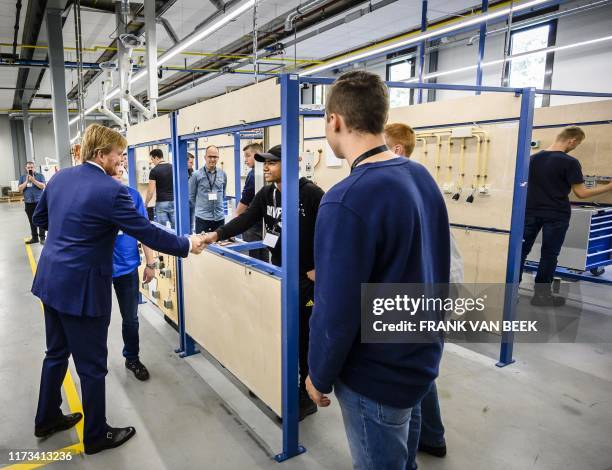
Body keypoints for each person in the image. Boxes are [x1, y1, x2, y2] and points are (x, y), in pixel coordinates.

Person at [31, 124, 205, 455]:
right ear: (101, 155)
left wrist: (71, 235)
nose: (122, 161)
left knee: (55, 353)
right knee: (93, 365)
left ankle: (46, 418)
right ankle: (96, 434)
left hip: (51, 280)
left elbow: (41, 219)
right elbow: (148, 233)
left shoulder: (60, 179)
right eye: (119, 154)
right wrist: (187, 243)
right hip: (82, 289)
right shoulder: (112, 193)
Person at [306, 71, 450, 470]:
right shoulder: (419, 176)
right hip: (419, 358)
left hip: (376, 374)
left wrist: (318, 374)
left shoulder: (346, 198)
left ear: (335, 121)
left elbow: (336, 310)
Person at [202, 144, 325, 420]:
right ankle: (279, 382)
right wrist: (216, 234)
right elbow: (246, 219)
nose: (266, 167)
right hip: (280, 273)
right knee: (282, 331)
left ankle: (306, 396)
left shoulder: (311, 194)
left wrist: (322, 268)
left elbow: (332, 232)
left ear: (291, 164)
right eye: (264, 163)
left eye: (272, 162)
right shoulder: (268, 193)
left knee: (304, 336)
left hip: (307, 278)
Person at [385, 122, 459, 460]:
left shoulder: (407, 179)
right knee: (421, 368)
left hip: (422, 292)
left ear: (397, 149)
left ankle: (420, 444)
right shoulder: (417, 178)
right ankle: (433, 437)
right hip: (430, 289)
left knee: (411, 371)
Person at [520, 126, 612, 306]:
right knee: (549, 255)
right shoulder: (570, 162)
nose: (575, 147)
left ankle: (511, 291)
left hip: (530, 212)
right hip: (556, 215)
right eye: (577, 144)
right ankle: (541, 296)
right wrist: (609, 187)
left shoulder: (532, 159)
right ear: (572, 140)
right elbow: (582, 194)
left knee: (521, 251)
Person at [112, 166, 157, 381]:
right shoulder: (94, 195)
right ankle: (95, 362)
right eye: (114, 167)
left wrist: (150, 262)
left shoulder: (132, 196)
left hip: (127, 267)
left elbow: (144, 229)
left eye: (121, 166)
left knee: (130, 318)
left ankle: (132, 358)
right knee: (96, 319)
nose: (118, 170)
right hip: (98, 269)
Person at [235, 142, 268, 261]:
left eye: (248, 155)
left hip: (252, 224)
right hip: (265, 222)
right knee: (264, 256)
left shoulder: (253, 174)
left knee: (253, 259)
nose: (245, 160)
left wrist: (236, 218)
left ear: (258, 155)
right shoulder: (266, 172)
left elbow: (245, 200)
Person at [189, 145, 227, 233]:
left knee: (220, 243)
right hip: (203, 218)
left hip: (219, 218)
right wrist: (201, 207)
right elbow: (191, 197)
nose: (213, 159)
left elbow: (223, 193)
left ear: (218, 158)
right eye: (210, 156)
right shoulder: (196, 175)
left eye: (215, 157)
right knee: (202, 246)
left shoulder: (223, 174)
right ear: (205, 157)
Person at [18, 161, 47, 245]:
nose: (30, 169)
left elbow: (43, 186)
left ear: (34, 167)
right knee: (32, 221)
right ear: (26, 168)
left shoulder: (40, 176)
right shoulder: (23, 177)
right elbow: (19, 189)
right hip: (28, 202)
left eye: (31, 167)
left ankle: (42, 238)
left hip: (39, 202)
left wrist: (33, 180)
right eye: (28, 167)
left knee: (41, 219)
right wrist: (26, 181)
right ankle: (34, 238)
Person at [145, 148, 175, 229]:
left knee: (161, 229)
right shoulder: (173, 167)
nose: (152, 161)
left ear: (156, 158)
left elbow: (150, 191)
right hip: (174, 202)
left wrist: (146, 204)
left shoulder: (154, 171)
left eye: (152, 159)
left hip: (161, 203)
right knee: (176, 229)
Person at [187, 152, 195, 232]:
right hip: (183, 202)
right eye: (191, 162)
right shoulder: (178, 172)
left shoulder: (191, 171)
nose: (192, 164)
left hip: (191, 201)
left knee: (191, 223)